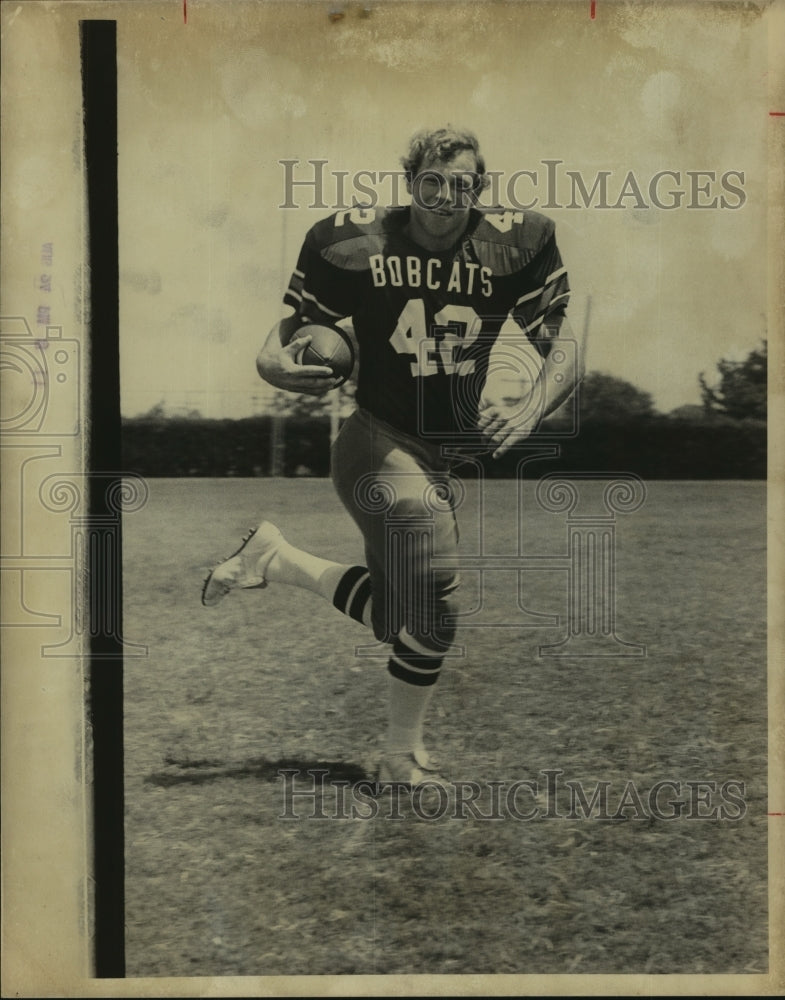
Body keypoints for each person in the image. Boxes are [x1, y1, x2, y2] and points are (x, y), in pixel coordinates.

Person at [202, 126, 583, 787]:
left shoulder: (514, 244)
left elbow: (566, 348)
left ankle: (275, 557)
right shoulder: (355, 241)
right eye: (431, 182)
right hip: (376, 443)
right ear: (410, 184)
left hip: (437, 456)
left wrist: (528, 408)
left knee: (392, 618)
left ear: (479, 189)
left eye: (461, 184)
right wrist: (268, 359)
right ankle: (397, 758)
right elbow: (290, 326)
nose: (444, 197)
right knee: (438, 607)